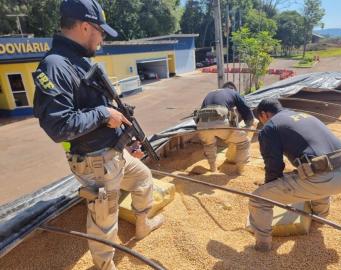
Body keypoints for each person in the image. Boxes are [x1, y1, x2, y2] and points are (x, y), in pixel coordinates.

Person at [32, 1, 163, 269]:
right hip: (94, 162)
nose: (102, 38)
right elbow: (58, 126)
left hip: (112, 154)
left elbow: (94, 109)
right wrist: (104, 115)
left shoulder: (78, 62)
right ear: (84, 27)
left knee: (143, 177)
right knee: (104, 219)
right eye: (100, 31)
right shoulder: (55, 66)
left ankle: (142, 224)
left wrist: (125, 139)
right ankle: (105, 266)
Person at [248, 98, 341, 252]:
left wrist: (271, 188)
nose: (262, 123)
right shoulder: (306, 116)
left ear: (264, 114)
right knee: (309, 173)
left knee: (259, 200)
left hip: (324, 180)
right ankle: (319, 217)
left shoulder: (270, 127)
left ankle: (262, 245)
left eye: (260, 120)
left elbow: (274, 166)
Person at [195, 81, 254, 174]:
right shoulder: (234, 93)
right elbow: (245, 109)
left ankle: (213, 168)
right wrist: (249, 124)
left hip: (202, 124)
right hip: (220, 121)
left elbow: (200, 112)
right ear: (233, 89)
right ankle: (240, 170)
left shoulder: (210, 93)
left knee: (209, 144)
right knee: (243, 143)